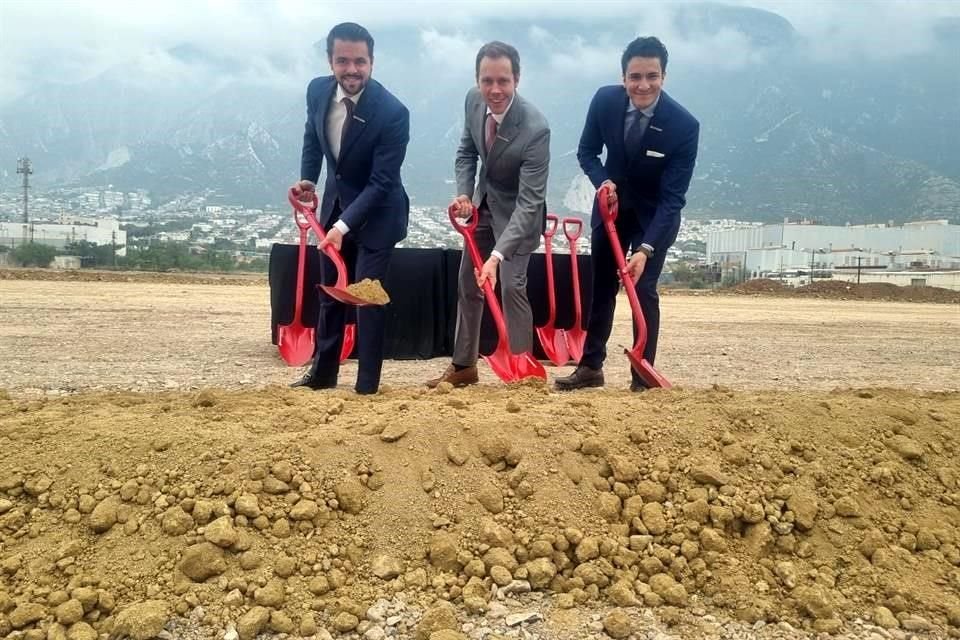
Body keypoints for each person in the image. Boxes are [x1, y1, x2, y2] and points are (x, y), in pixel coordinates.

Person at [555, 36, 699, 392]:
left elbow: (672, 199)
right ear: (623, 78)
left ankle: (643, 374)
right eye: (635, 76)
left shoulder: (683, 126)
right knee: (601, 288)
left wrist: (646, 249)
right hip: (611, 209)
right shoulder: (604, 102)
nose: (643, 85)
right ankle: (590, 368)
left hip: (654, 218)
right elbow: (587, 151)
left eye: (652, 76)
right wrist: (603, 181)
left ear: (664, 76)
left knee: (644, 290)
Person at [289, 22, 410, 395]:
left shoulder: (392, 112)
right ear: (330, 61)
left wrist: (342, 227)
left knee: (366, 298)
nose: (351, 69)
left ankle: (367, 386)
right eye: (343, 61)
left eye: (360, 61)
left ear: (372, 63)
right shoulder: (317, 91)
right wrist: (309, 179)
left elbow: (381, 182)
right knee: (330, 295)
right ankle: (323, 374)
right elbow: (313, 134)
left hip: (378, 215)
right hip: (335, 207)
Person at [427, 41, 550, 388]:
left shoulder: (535, 128)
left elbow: (529, 203)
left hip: (518, 217)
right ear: (478, 80)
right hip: (483, 207)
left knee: (512, 286)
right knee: (468, 283)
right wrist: (465, 192)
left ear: (517, 80)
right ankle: (464, 365)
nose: (495, 90)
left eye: (503, 81)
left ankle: (521, 367)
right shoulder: (473, 100)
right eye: (487, 81)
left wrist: (497, 256)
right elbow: (466, 150)